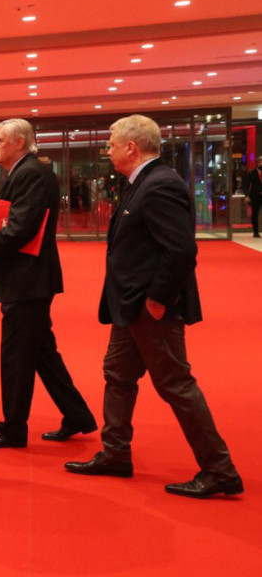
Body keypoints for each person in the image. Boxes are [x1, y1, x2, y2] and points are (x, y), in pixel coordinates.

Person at [65, 115, 243, 499]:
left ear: (131, 147)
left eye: (112, 144)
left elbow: (180, 251)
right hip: (130, 305)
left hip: (150, 307)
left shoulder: (160, 184)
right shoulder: (141, 182)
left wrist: (158, 299)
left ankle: (220, 470)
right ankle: (116, 453)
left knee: (175, 384)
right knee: (118, 375)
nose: (107, 150)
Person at [0, 119, 96, 448]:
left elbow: (20, 227)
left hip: (26, 279)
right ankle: (78, 415)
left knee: (17, 356)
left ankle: (13, 428)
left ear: (19, 142)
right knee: (42, 352)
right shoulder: (24, 171)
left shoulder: (30, 173)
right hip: (28, 278)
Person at [244, 157, 262, 238]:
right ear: (257, 163)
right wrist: (247, 195)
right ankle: (256, 232)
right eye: (259, 162)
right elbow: (246, 185)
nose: (261, 164)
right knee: (255, 215)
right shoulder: (252, 173)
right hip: (255, 197)